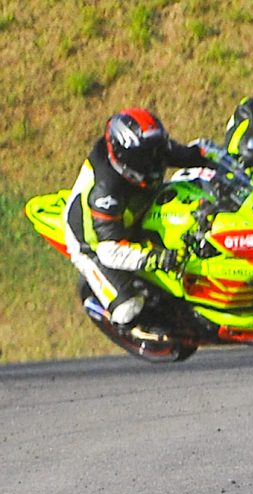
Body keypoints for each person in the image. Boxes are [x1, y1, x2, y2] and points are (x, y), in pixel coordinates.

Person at [60, 108, 218, 330]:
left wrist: (219, 161)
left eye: (158, 152)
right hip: (95, 243)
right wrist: (155, 258)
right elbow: (109, 249)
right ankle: (123, 317)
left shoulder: (147, 150)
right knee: (128, 309)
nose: (155, 163)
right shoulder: (105, 191)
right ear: (126, 157)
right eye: (147, 157)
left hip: (135, 210)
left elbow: (191, 155)